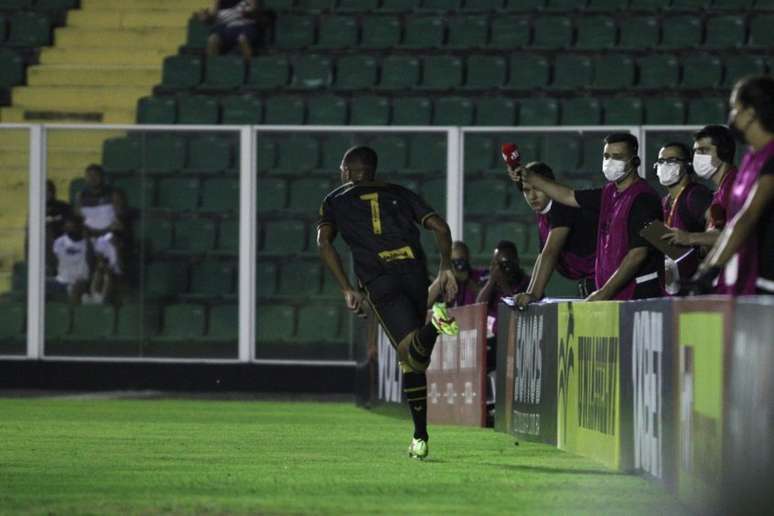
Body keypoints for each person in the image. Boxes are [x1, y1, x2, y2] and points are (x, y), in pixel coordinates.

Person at [316, 146, 460, 460]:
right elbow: (440, 228)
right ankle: (420, 436)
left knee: (409, 351)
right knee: (412, 361)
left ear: (352, 172)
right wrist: (446, 266)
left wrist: (345, 289)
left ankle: (436, 324)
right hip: (414, 273)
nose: (341, 173)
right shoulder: (401, 193)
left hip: (381, 279)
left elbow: (323, 241)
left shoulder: (335, 200)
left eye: (343, 168)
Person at [515, 133, 663, 301]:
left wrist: (603, 293)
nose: (610, 162)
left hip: (639, 296)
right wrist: (530, 176)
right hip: (614, 296)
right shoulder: (608, 193)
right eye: (607, 156)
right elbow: (568, 195)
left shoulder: (643, 198)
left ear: (635, 161)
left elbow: (638, 254)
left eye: (617, 157)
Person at [693, 75, 774, 296]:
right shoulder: (750, 159)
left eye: (735, 109)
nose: (732, 116)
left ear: (750, 114)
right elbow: (732, 226)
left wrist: (712, 269)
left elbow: (748, 216)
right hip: (751, 275)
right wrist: (705, 269)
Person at [507, 161, 597, 308]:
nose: (532, 196)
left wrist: (534, 295)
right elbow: (542, 254)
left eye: (537, 189)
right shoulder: (543, 212)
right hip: (590, 281)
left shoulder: (561, 206)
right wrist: (529, 293)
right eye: (526, 190)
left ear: (549, 185)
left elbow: (551, 252)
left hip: (605, 277)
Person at [661, 125, 738, 249]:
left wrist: (689, 238)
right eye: (696, 151)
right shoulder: (722, 188)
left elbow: (736, 234)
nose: (697, 156)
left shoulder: (734, 185)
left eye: (703, 150)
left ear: (724, 151)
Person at [653, 142, 712, 295]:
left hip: (696, 292)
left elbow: (719, 231)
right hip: (673, 290)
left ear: (688, 166)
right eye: (661, 161)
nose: (665, 165)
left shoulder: (695, 196)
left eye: (672, 161)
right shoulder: (664, 202)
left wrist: (698, 247)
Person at [199, 0, 275, 62]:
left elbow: (255, 11)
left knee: (242, 39)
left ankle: (249, 70)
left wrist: (249, 12)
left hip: (246, 25)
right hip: (226, 27)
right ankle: (213, 70)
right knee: (212, 39)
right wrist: (206, 18)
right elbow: (211, 20)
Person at [427, 241, 485, 307]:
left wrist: (466, 280)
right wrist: (441, 278)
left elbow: (487, 300)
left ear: (468, 258)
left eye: (459, 261)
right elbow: (423, 303)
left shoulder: (480, 275)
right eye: (451, 262)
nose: (455, 266)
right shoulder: (445, 279)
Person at [50, 216, 91, 305]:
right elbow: (56, 261)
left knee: (77, 286)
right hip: (61, 281)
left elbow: (90, 260)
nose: (70, 230)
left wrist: (87, 239)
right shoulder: (59, 242)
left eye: (73, 227)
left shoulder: (87, 243)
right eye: (67, 227)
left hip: (80, 281)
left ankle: (72, 315)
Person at [76, 164, 116, 238]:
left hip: (109, 233)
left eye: (96, 175)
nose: (92, 178)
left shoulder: (113, 194)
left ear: (103, 177)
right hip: (89, 234)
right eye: (89, 175)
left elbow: (117, 220)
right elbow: (80, 218)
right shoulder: (81, 195)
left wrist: (103, 232)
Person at [45, 180, 72, 278]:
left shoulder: (63, 207)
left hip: (62, 242)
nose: (45, 193)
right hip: (43, 246)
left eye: (48, 191)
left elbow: (71, 226)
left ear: (53, 192)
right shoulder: (36, 209)